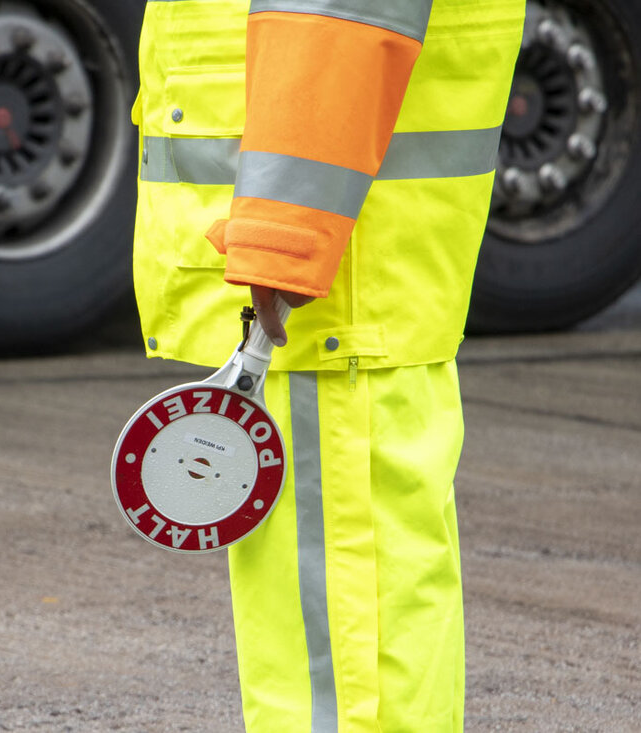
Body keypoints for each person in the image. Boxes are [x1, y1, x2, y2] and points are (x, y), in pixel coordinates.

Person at [132, 1, 524, 730]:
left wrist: (284, 235)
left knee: (340, 661)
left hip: (326, 287)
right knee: (348, 631)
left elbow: (334, 14)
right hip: (339, 269)